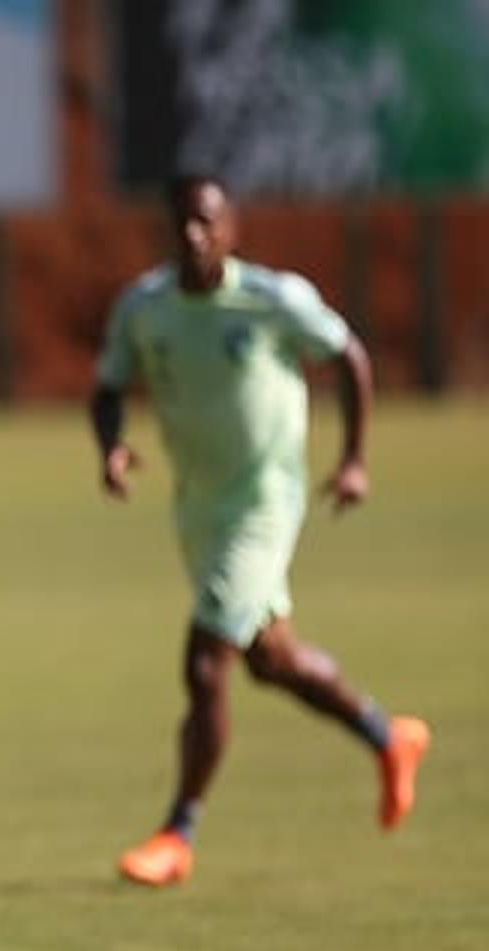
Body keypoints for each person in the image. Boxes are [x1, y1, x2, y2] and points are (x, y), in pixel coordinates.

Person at [89, 172, 430, 888]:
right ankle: (387, 735)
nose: (193, 235)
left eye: (206, 222)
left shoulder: (274, 299)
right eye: (182, 221)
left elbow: (348, 356)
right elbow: (109, 383)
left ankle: (176, 833)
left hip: (264, 502)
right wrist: (111, 445)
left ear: (230, 230)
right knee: (270, 658)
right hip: (197, 508)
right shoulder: (145, 308)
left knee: (205, 661)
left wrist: (355, 461)